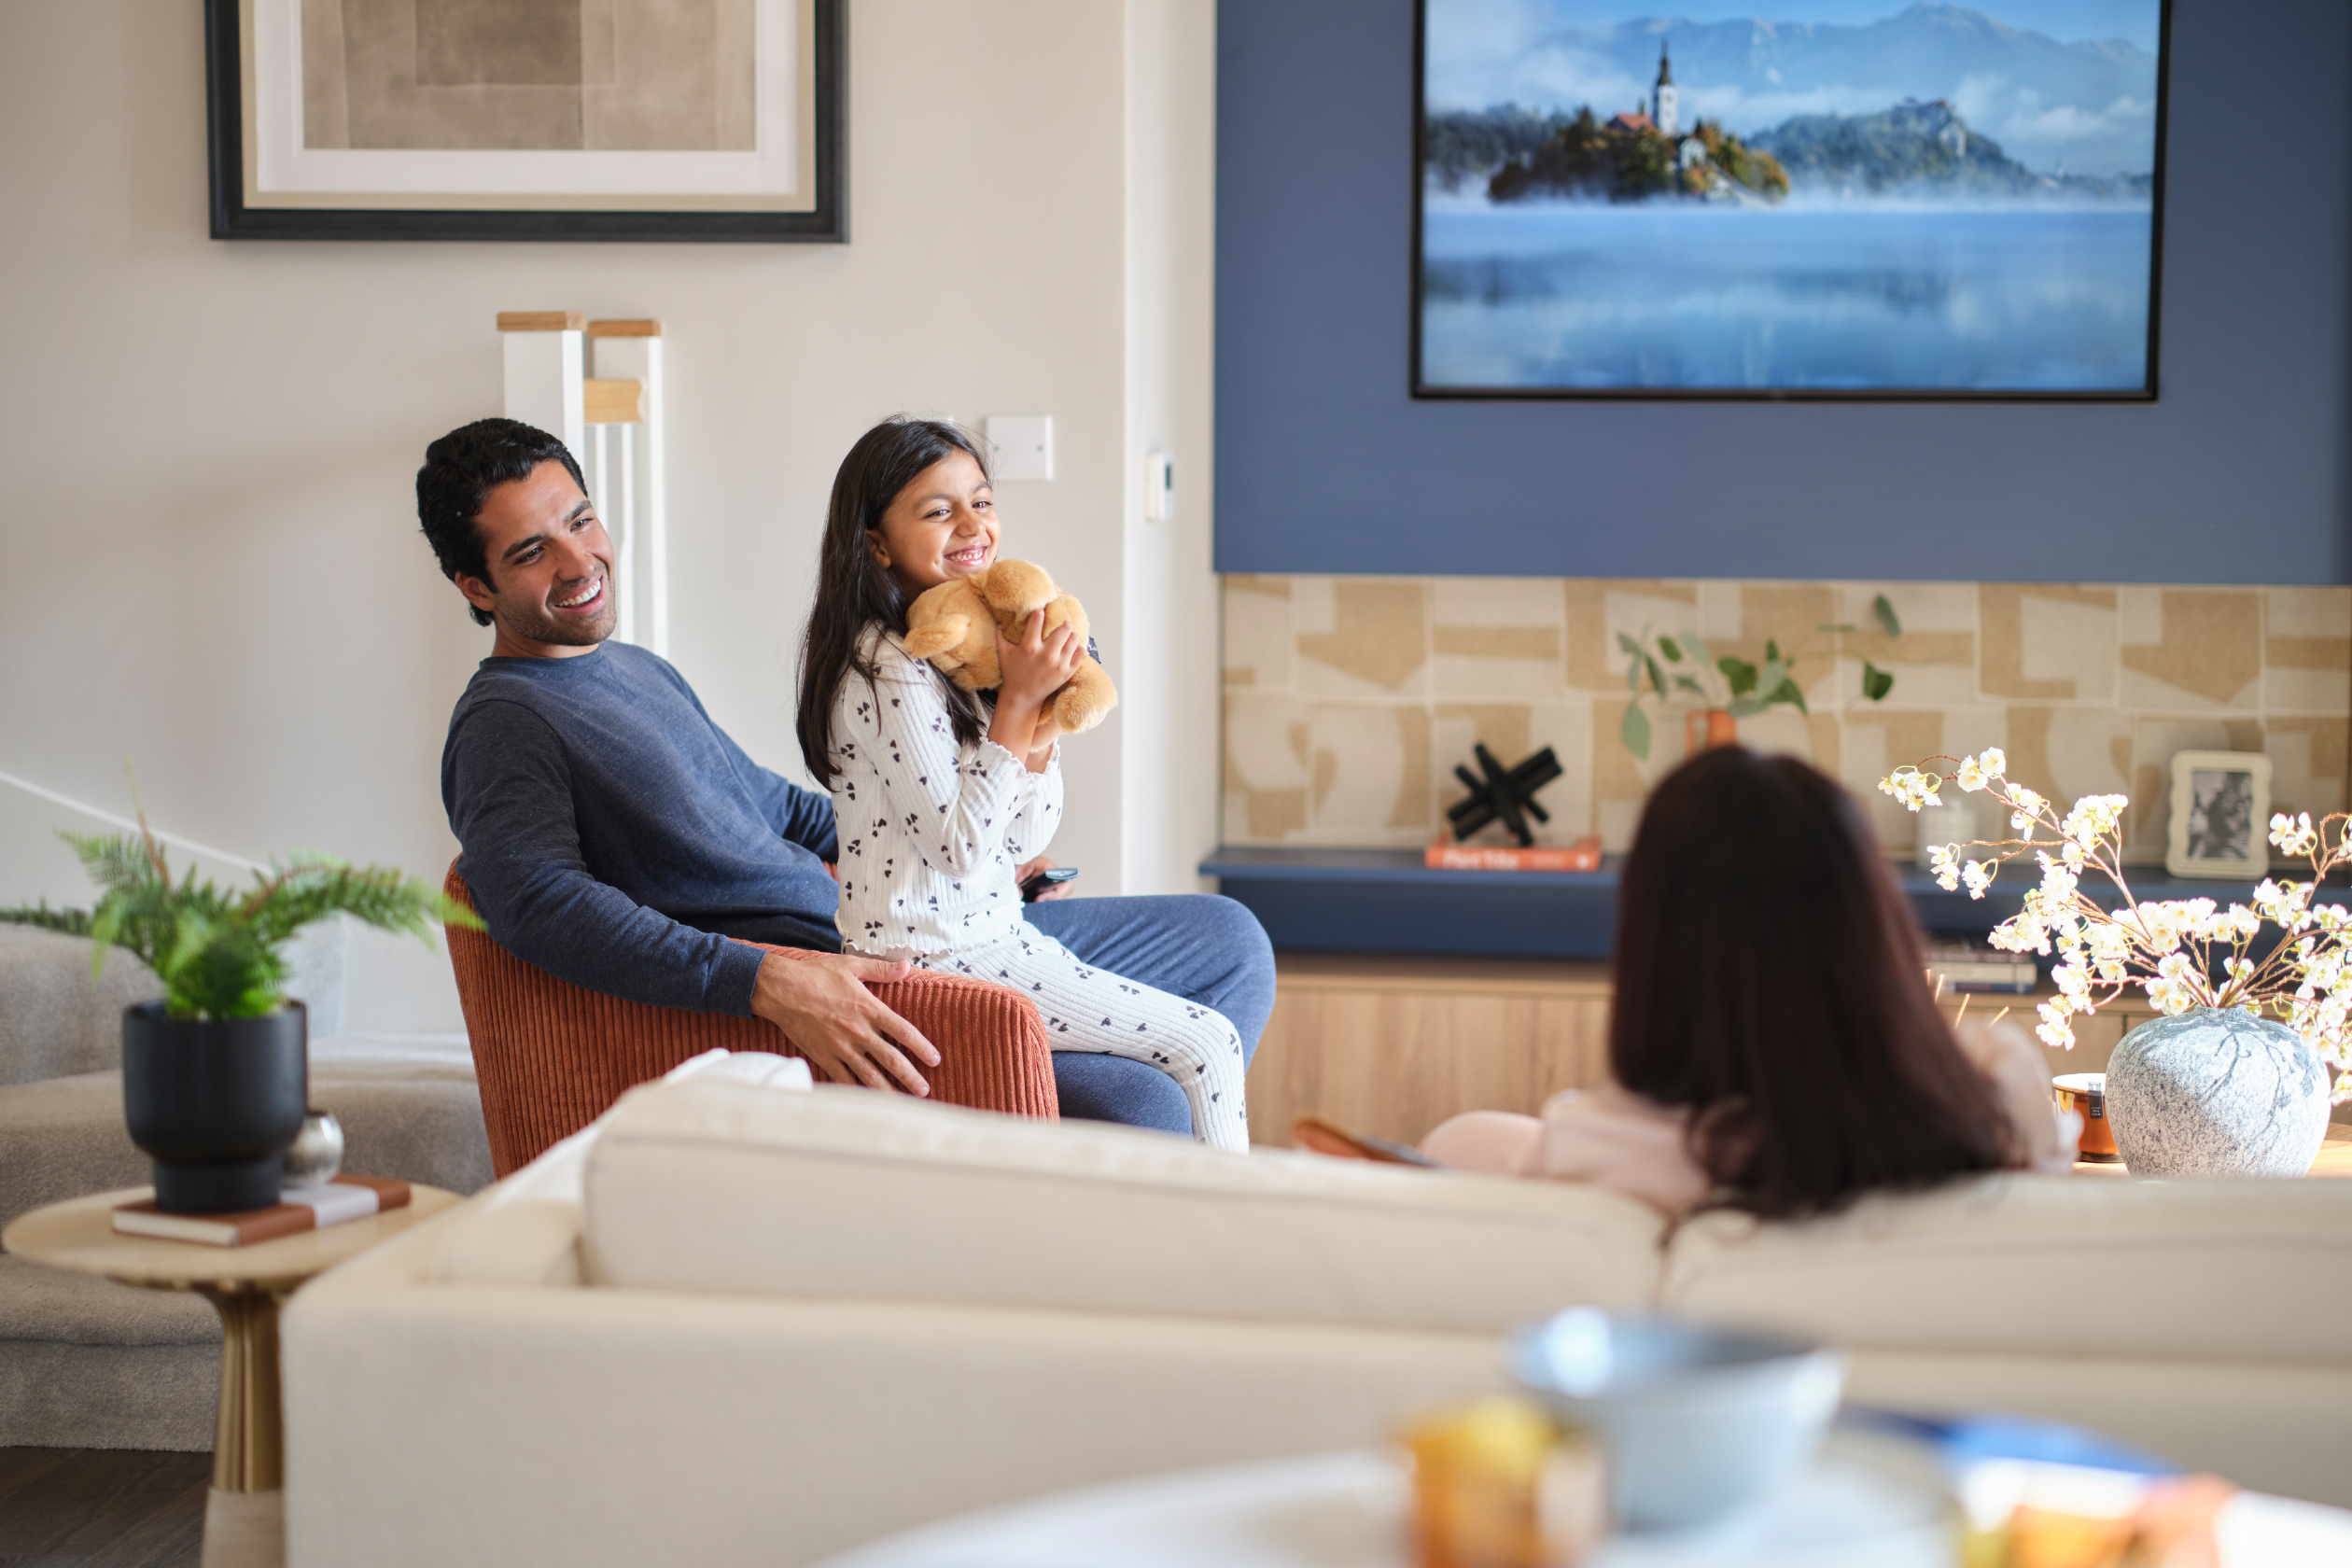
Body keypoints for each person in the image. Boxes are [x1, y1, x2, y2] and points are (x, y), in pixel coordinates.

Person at [420, 417, 1272, 1133]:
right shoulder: (504, 724)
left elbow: (775, 806)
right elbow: (533, 906)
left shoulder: (632, 668)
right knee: (1147, 1099)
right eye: (534, 551)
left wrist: (945, 847)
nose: (579, 562)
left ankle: (1129, 1194)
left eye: (582, 520)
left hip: (904, 916)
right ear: (475, 585)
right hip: (850, 978)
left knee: (1229, 943)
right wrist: (764, 979)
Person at [794, 418, 1250, 1150]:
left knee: (1202, 1034)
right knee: (1208, 1044)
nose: (974, 525)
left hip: (991, 935)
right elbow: (960, 850)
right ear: (875, 543)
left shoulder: (957, 650)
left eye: (982, 500)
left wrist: (1039, 715)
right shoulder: (886, 666)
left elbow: (1022, 839)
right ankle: (1239, 1242)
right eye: (939, 510)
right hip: (936, 965)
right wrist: (1014, 706)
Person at [1420, 748, 2075, 1216]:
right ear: (1871, 923)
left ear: (1653, 947)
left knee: (1461, 1140)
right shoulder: (1997, 1095)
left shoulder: (1596, 1152)